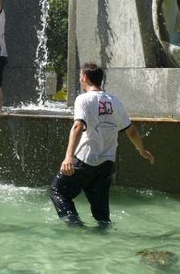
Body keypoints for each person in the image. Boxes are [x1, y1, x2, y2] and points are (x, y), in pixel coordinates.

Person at [50, 63, 155, 227]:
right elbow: (132, 131)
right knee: (102, 213)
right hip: (107, 164)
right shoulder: (115, 101)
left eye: (80, 77)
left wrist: (68, 156)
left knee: (58, 191)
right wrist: (142, 151)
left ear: (85, 78)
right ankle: (104, 238)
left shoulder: (83, 99)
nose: (80, 80)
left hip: (85, 161)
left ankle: (76, 227)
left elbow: (78, 126)